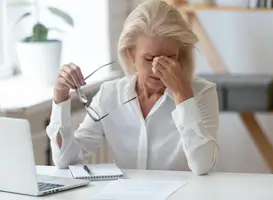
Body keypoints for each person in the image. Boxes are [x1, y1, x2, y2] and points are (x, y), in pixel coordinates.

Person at [46, 0, 219, 175]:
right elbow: (65, 160)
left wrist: (182, 94)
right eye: (149, 58)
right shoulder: (110, 94)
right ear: (131, 54)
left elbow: (202, 166)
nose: (157, 69)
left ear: (180, 55)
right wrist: (60, 96)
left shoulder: (202, 93)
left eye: (169, 58)